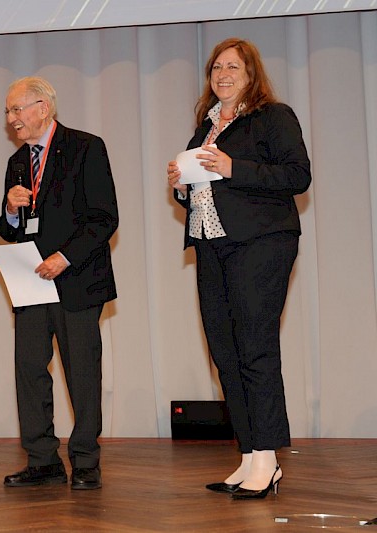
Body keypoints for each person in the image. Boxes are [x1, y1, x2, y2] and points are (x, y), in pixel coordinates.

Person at [167, 38, 311, 499]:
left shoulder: (273, 117)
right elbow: (204, 189)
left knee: (255, 347)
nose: (223, 74)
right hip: (211, 245)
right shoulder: (205, 127)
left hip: (261, 242)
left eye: (233, 66)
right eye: (216, 67)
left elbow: (297, 176)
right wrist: (182, 187)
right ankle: (249, 454)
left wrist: (234, 168)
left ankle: (268, 458)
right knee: (224, 352)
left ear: (251, 74)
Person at [0, 77, 119, 490]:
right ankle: (42, 460)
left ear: (43, 107)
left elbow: (104, 218)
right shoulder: (18, 162)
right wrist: (10, 210)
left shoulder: (86, 147)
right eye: (8, 111)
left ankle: (85, 460)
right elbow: (9, 229)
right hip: (31, 283)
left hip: (77, 278)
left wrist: (63, 258)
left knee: (82, 372)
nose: (11, 119)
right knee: (29, 370)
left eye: (17, 109)